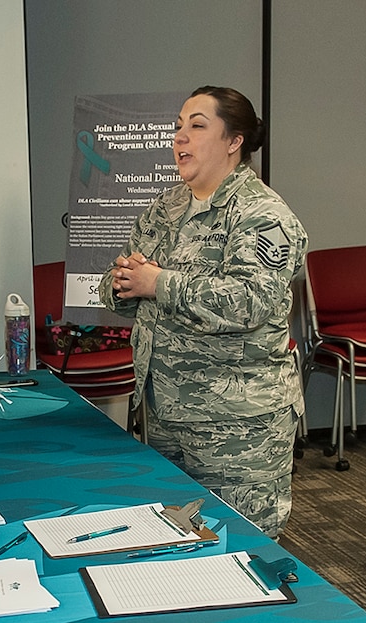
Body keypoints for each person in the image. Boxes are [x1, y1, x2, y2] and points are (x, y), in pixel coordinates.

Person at [99, 86, 307, 539]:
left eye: (197, 126)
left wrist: (159, 283)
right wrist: (121, 285)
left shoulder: (262, 214)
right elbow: (122, 278)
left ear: (234, 141)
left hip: (236, 428)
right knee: (174, 546)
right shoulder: (167, 206)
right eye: (177, 127)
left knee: (240, 546)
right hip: (163, 414)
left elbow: (250, 301)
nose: (180, 138)